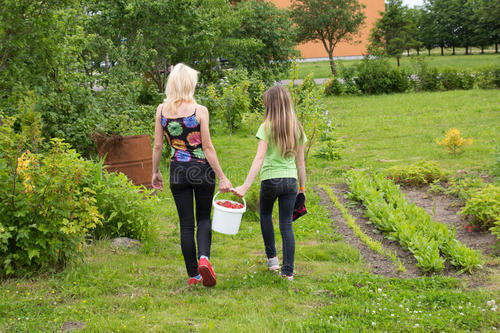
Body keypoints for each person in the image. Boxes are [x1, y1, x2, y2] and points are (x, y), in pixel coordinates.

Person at [152, 63, 232, 287]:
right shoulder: (200, 111)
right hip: (202, 170)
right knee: (203, 218)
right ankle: (204, 259)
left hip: (177, 170)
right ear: (190, 84)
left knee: (186, 224)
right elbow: (207, 148)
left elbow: (158, 146)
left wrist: (155, 172)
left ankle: (194, 275)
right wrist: (222, 176)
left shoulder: (161, 110)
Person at [233, 85, 306, 281]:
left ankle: (272, 259)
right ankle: (288, 272)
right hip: (290, 181)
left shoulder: (266, 127)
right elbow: (301, 163)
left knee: (265, 215)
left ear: (271, 106)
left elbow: (259, 159)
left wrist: (245, 186)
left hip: (270, 180)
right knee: (286, 225)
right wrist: (302, 188)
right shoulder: (297, 128)